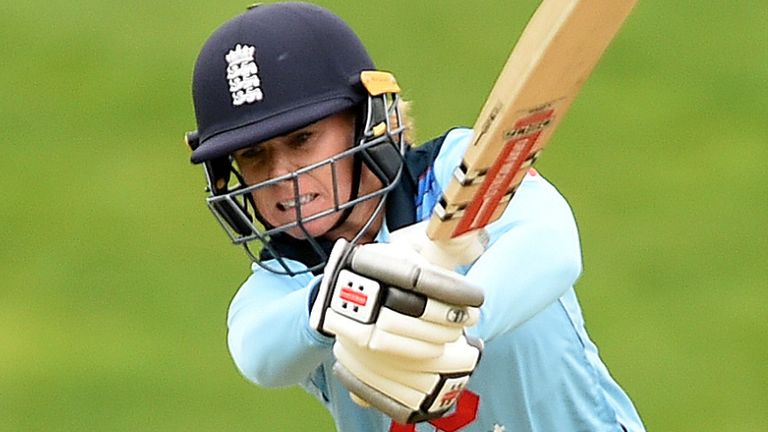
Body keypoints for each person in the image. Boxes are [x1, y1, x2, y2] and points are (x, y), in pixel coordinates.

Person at [185, 3, 646, 431]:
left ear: (367, 119)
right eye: (253, 154)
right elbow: (257, 354)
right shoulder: (287, 280)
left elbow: (553, 246)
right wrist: (344, 299)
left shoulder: (456, 170)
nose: (281, 174)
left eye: (303, 139)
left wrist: (446, 325)